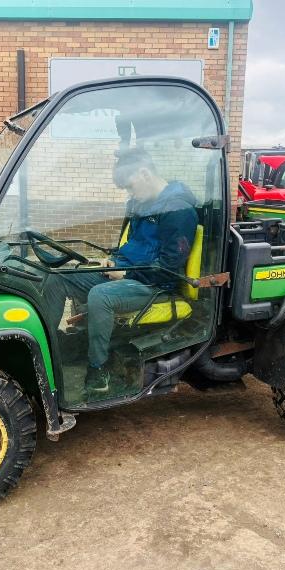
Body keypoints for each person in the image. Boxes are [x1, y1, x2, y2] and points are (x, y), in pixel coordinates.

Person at [43, 148, 199, 394]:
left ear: (144, 173)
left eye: (130, 186)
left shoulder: (178, 211)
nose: (130, 192)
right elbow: (134, 245)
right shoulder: (143, 204)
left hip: (153, 284)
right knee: (58, 277)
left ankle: (98, 370)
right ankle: (48, 349)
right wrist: (113, 260)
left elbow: (169, 267)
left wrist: (127, 274)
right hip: (129, 272)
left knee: (100, 296)